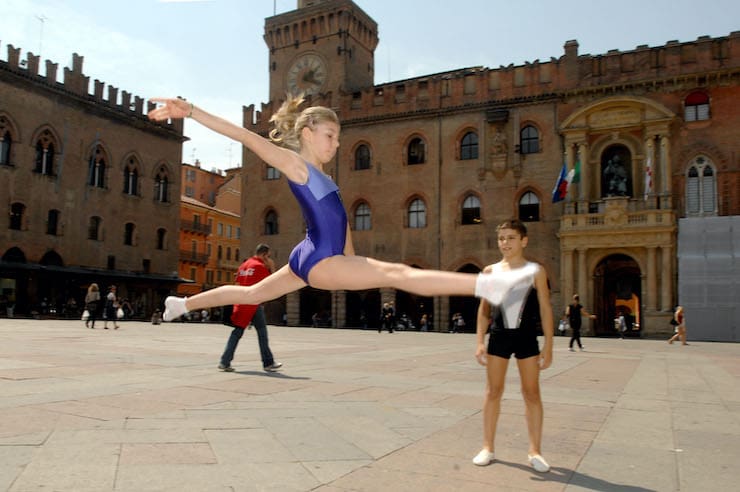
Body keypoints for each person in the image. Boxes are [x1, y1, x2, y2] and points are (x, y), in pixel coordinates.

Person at [147, 96, 530, 323]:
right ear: (308, 133)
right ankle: (491, 286)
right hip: (319, 260)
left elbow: (342, 230)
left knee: (252, 295)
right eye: (330, 136)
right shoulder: (297, 165)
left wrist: (354, 264)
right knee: (398, 272)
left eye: (338, 138)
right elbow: (247, 137)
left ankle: (181, 304)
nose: (335, 144)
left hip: (313, 253)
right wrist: (192, 111)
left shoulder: (328, 181)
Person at [472, 219, 554, 473]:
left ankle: (535, 451)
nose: (505, 243)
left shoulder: (536, 271)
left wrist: (549, 345)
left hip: (527, 337)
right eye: (502, 238)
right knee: (492, 391)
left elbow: (544, 308)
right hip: (498, 337)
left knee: (532, 393)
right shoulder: (489, 271)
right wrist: (479, 341)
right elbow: (484, 309)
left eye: (511, 238)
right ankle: (487, 447)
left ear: (523, 241)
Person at [219, 244, 282, 373]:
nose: (268, 259)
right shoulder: (259, 266)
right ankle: (268, 363)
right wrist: (272, 267)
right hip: (253, 303)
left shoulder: (244, 265)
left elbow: (237, 283)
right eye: (268, 256)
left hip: (241, 301)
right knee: (262, 332)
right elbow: (272, 282)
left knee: (237, 332)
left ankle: (224, 362)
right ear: (264, 255)